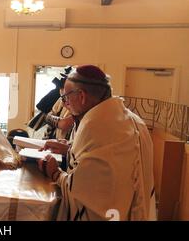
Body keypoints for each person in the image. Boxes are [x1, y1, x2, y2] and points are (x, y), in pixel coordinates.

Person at [37, 65, 156, 221]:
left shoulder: (95, 126)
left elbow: (83, 191)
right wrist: (69, 149)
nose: (66, 103)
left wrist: (54, 172)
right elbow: (105, 166)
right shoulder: (132, 119)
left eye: (66, 97)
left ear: (81, 96)